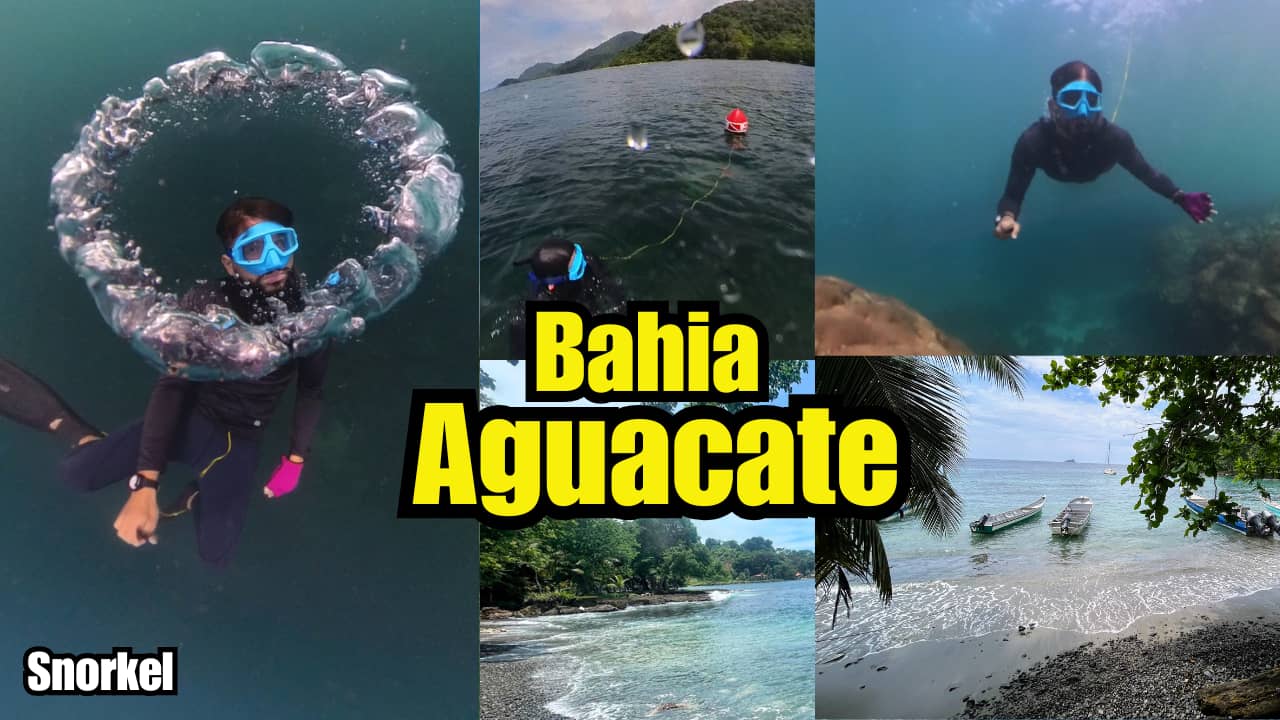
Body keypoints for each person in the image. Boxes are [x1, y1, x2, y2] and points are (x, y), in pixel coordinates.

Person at [0, 197, 330, 567]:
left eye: (281, 243)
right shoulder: (206, 304)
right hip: (189, 419)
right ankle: (82, 436)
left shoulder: (313, 315)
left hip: (242, 439)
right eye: (252, 249)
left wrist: (295, 459)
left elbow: (311, 388)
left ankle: (193, 495)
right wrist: (146, 484)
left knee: (215, 553)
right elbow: (173, 386)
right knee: (75, 474)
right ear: (230, 263)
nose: (273, 260)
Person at [994, 60, 1216, 240]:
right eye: (1071, 99)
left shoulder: (1114, 139)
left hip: (1088, 170)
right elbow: (1013, 193)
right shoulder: (1033, 142)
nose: (1082, 112)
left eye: (1091, 101)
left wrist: (1179, 196)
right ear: (1053, 106)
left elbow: (1148, 173)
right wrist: (1007, 218)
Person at [506, 239, 625, 359]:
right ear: (551, 286)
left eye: (580, 257)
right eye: (577, 269)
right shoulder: (527, 318)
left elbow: (616, 296)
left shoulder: (589, 261)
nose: (585, 264)